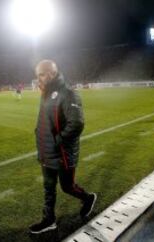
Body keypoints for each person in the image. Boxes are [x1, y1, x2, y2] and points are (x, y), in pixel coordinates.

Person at [29, 60, 97, 234]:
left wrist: (58, 140)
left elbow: (77, 123)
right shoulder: (45, 93)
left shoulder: (68, 94)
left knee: (67, 186)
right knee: (48, 188)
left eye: (41, 75)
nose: (38, 79)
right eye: (37, 75)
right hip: (46, 152)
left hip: (62, 153)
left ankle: (87, 198)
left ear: (51, 73)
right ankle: (49, 219)